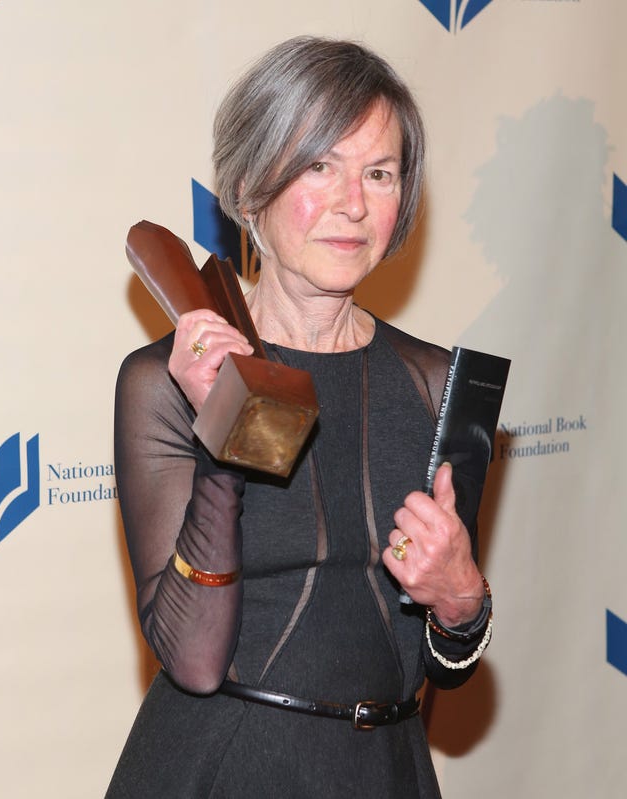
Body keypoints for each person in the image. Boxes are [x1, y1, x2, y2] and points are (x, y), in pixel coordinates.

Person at [106, 36, 493, 798]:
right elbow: (192, 658)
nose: (354, 203)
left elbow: (446, 662)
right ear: (250, 188)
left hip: (388, 771)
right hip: (223, 769)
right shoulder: (161, 380)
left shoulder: (436, 382)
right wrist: (224, 422)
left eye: (379, 173)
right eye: (321, 166)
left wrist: (464, 600)